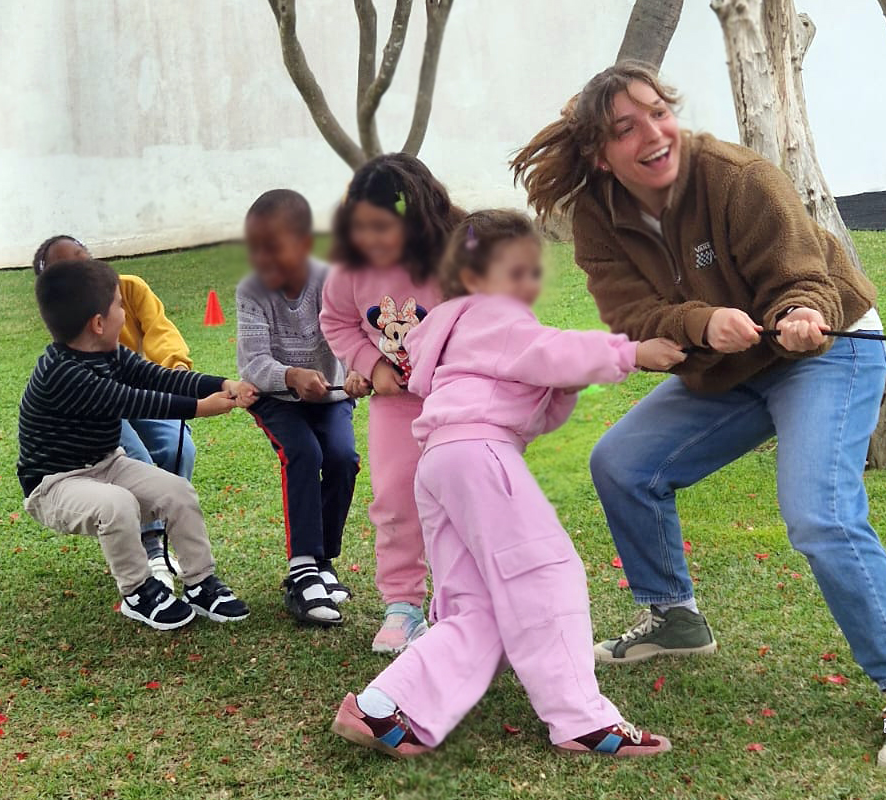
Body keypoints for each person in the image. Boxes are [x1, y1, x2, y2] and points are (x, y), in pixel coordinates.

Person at [510, 62, 886, 767]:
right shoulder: (597, 217)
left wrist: (801, 313)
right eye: (625, 128)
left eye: (657, 112)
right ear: (599, 154)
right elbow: (631, 315)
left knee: (820, 516)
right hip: (729, 366)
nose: (652, 134)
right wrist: (700, 323)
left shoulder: (737, 177)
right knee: (622, 464)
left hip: (827, 351)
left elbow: (803, 276)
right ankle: (674, 617)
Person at [332, 210, 684, 758]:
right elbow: (550, 352)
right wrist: (632, 353)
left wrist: (563, 385)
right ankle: (581, 719)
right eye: (514, 270)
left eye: (532, 270)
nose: (528, 283)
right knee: (547, 574)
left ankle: (384, 706)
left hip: (442, 462)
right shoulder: (493, 313)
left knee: (481, 609)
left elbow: (537, 390)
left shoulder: (450, 326)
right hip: (480, 457)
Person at [18, 259, 256, 631]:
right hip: (55, 485)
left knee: (177, 492)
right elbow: (135, 401)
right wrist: (200, 408)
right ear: (98, 323)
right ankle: (138, 591)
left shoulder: (110, 354)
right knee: (117, 504)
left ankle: (200, 582)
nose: (125, 313)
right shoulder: (62, 373)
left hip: (106, 463)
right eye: (119, 305)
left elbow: (157, 378)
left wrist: (223, 384)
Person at [319, 154, 463, 654]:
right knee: (395, 499)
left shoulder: (457, 256)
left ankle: (464, 603)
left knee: (463, 495)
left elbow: (493, 317)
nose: (370, 240)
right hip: (395, 406)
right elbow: (337, 321)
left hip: (459, 401)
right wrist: (371, 364)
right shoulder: (350, 269)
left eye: (382, 228)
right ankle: (403, 606)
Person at [33, 236, 197, 589]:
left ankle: (169, 544)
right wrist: (201, 404)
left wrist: (177, 366)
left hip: (143, 392)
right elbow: (111, 396)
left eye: (83, 257)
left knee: (178, 447)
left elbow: (160, 331)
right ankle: (151, 550)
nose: (81, 268)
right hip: (101, 406)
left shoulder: (130, 288)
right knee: (135, 459)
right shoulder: (67, 330)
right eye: (66, 267)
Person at [236, 189, 368, 627]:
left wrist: (357, 370)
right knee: (304, 453)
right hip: (275, 397)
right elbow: (253, 363)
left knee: (342, 458)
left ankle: (323, 561)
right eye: (256, 247)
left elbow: (351, 335)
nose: (264, 258)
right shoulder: (251, 290)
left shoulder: (331, 281)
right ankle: (302, 570)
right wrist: (292, 376)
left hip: (331, 394)